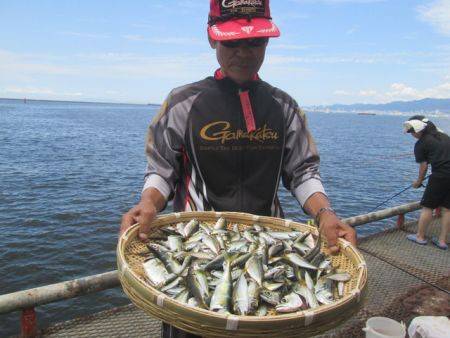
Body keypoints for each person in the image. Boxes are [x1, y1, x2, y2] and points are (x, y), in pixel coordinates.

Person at [121, 1, 357, 337]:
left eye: (256, 42)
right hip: (196, 250)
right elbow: (162, 169)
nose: (244, 53)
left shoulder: (284, 106)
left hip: (267, 249)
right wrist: (148, 203)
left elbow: (302, 172)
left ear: (268, 43)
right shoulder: (182, 102)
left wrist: (325, 214)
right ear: (211, 39)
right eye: (232, 42)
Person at [404, 115, 450, 250]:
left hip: (440, 176)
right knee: (447, 209)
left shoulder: (421, 144)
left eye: (412, 132)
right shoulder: (444, 136)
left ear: (418, 131)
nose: (411, 134)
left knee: (428, 207)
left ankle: (420, 237)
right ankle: (442, 241)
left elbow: (423, 166)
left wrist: (418, 182)